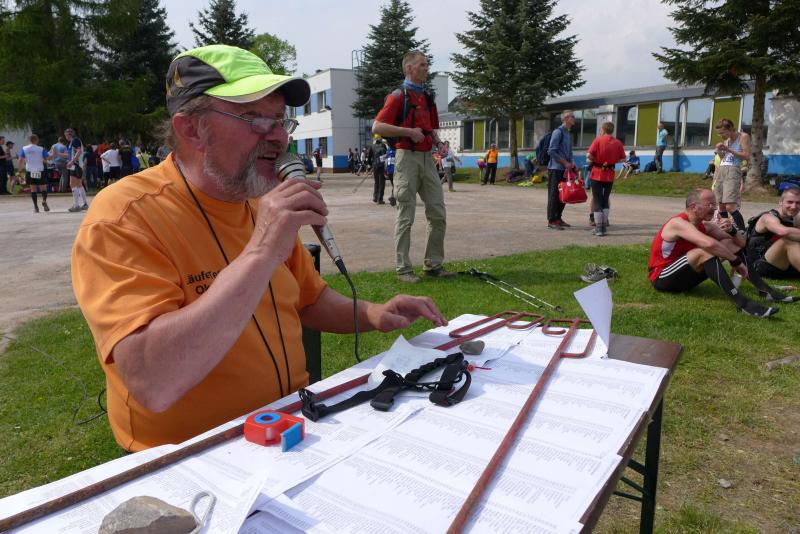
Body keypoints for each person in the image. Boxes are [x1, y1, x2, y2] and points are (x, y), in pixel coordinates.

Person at [71, 44, 447, 452]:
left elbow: (308, 299)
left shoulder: (258, 200)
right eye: (254, 119)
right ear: (191, 129)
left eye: (280, 120)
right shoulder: (124, 218)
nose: (279, 137)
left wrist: (372, 313)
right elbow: (153, 380)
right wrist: (262, 249)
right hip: (188, 456)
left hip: (289, 428)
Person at [372, 50, 453, 283]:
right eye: (422, 65)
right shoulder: (398, 96)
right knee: (406, 215)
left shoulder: (427, 96)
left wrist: (438, 143)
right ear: (409, 68)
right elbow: (377, 127)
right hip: (406, 158)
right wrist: (408, 132)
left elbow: (430, 128)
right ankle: (403, 269)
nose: (426, 68)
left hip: (428, 158)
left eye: (427, 65)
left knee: (438, 213)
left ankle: (433, 265)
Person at [648, 188, 791, 317]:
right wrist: (735, 261)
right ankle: (743, 304)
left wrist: (732, 231)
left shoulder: (706, 226)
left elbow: (741, 244)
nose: (715, 208)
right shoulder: (678, 223)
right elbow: (709, 244)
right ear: (693, 207)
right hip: (662, 278)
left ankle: (765, 290)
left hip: (684, 278)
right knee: (704, 252)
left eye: (714, 204)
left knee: (728, 244)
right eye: (709, 204)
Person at [746, 186, 800, 281]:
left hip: (783, 265)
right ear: (780, 202)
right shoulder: (768, 217)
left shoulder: (795, 220)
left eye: (798, 203)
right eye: (790, 202)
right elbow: (782, 231)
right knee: (787, 240)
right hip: (761, 266)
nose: (794, 206)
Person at [586, 122, 626, 237]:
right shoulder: (618, 143)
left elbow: (589, 155)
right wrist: (612, 161)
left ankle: (599, 228)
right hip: (609, 173)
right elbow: (623, 159)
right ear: (612, 130)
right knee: (605, 199)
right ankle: (604, 226)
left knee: (597, 199)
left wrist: (596, 160)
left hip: (597, 173)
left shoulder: (598, 140)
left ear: (603, 129)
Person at [713, 118, 750, 231]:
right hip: (722, 169)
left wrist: (728, 149)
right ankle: (726, 229)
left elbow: (746, 156)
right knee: (721, 205)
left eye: (723, 133)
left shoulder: (743, 136)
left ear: (730, 129)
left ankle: (742, 231)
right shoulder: (727, 140)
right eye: (719, 134)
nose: (721, 136)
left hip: (733, 169)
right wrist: (719, 152)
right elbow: (724, 158)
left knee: (730, 206)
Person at [546, 110, 578, 230]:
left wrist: (572, 162)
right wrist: (564, 162)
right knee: (554, 195)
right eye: (572, 116)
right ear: (565, 118)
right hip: (556, 168)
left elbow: (569, 151)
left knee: (564, 194)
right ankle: (552, 220)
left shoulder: (567, 133)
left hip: (566, 169)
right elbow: (551, 151)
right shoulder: (558, 132)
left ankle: (558, 218)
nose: (574, 118)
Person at [18, 134, 52, 213]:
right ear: (37, 140)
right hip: (40, 170)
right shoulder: (41, 149)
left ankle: (36, 207)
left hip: (30, 170)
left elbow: (20, 160)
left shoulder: (24, 148)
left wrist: (19, 171)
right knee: (43, 188)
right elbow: (48, 158)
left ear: (29, 140)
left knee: (33, 189)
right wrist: (53, 154)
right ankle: (44, 200)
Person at [65, 127, 88, 212]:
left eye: (66, 135)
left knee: (72, 184)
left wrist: (72, 161)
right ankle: (84, 204)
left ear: (69, 134)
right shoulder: (73, 141)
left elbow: (79, 151)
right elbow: (71, 154)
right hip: (77, 165)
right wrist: (58, 154)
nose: (65, 137)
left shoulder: (75, 140)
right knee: (79, 185)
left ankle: (76, 205)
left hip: (76, 165)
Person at [369, 136, 387, 204]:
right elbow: (386, 155)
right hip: (382, 166)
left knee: (376, 182)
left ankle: (375, 197)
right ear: (380, 139)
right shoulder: (383, 145)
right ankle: (380, 199)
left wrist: (371, 165)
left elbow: (369, 157)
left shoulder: (372, 146)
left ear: (375, 139)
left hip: (375, 166)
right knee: (382, 182)